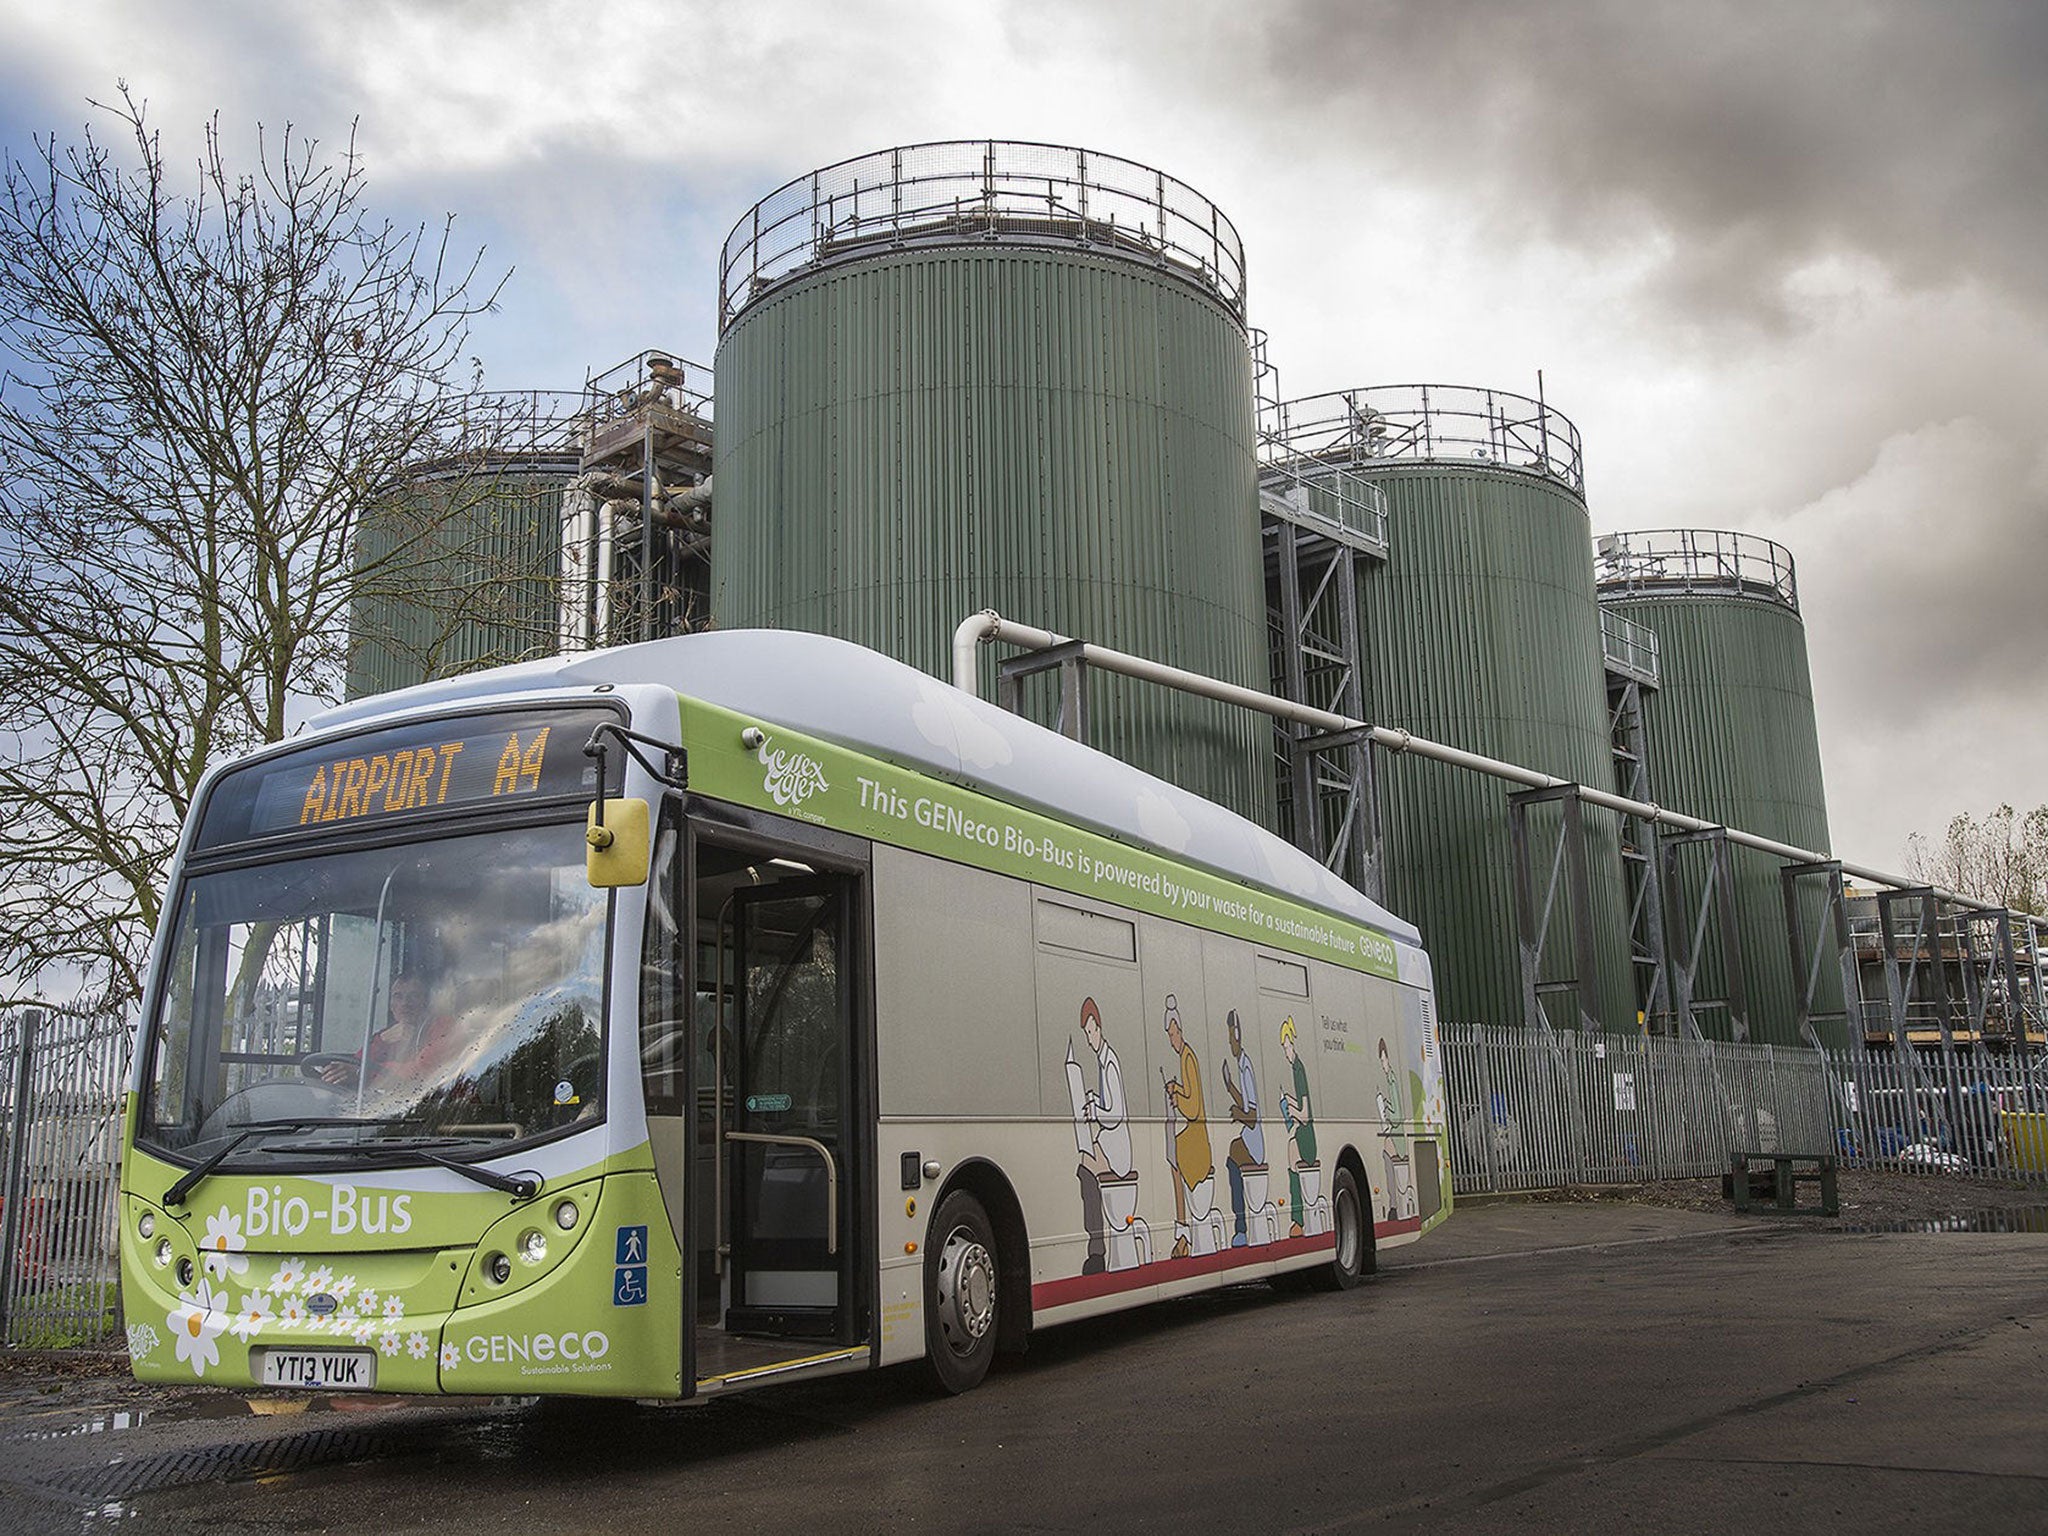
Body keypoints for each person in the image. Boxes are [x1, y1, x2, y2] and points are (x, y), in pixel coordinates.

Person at [317, 971, 462, 1090]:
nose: (405, 1003)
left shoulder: (444, 1026)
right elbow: (356, 1063)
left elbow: (421, 1072)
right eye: (398, 996)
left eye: (414, 996)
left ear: (427, 1001)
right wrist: (380, 1042)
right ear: (391, 1005)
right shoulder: (386, 1036)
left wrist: (361, 1073)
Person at [1074, 998, 1134, 1277]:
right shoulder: (1102, 1061)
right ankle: (1096, 1246)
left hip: (1117, 1149)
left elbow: (1117, 1113)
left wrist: (1095, 1109)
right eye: (1086, 1034)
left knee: (1085, 1169)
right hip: (1110, 1142)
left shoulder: (1109, 1062)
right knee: (1084, 1166)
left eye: (1091, 1031)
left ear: (1099, 1027)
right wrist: (1094, 1100)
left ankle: (1096, 1249)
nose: (1089, 1039)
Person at [1161, 994, 1212, 1260]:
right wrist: (1177, 1089)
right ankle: (1182, 1232)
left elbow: (1193, 1108)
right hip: (1193, 1133)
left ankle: (1183, 1234)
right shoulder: (1185, 1057)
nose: (1171, 1039)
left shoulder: (1188, 1057)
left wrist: (1176, 1096)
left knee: (1174, 1159)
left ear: (1179, 1030)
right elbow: (1190, 1094)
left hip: (1197, 1135)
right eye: (1168, 1035)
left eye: (1172, 1033)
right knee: (1172, 1157)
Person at [1221, 1009, 1264, 1247]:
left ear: (1237, 1035)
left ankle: (1241, 1227)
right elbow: (1245, 1103)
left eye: (1230, 1039)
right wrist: (1229, 1087)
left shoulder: (1246, 1066)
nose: (1230, 1044)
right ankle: (1240, 1224)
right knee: (1232, 1152)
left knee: (1232, 1156)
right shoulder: (1241, 1064)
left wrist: (1239, 1114)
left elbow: (1253, 1115)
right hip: (1249, 1139)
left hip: (1254, 1143)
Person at [1279, 1016, 1317, 1237]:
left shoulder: (1299, 1069)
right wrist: (1287, 1100)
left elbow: (1305, 1114)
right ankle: (1297, 1219)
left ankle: (1298, 1219)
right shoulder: (1296, 1068)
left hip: (1307, 1135)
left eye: (1286, 1046)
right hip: (1304, 1131)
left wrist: (1291, 1109)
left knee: (1292, 1149)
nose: (1286, 1052)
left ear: (1292, 1045)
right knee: (1291, 1149)